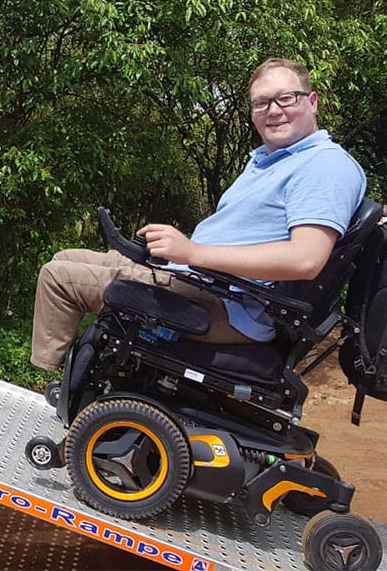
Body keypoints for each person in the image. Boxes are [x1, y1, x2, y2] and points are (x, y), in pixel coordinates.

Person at [30, 58, 367, 371]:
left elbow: (306, 259)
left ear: (312, 102)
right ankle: (76, 384)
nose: (273, 111)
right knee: (65, 256)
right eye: (261, 103)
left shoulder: (324, 165)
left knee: (59, 278)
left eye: (286, 99)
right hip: (200, 283)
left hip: (227, 307)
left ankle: (56, 395)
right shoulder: (271, 160)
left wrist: (192, 252)